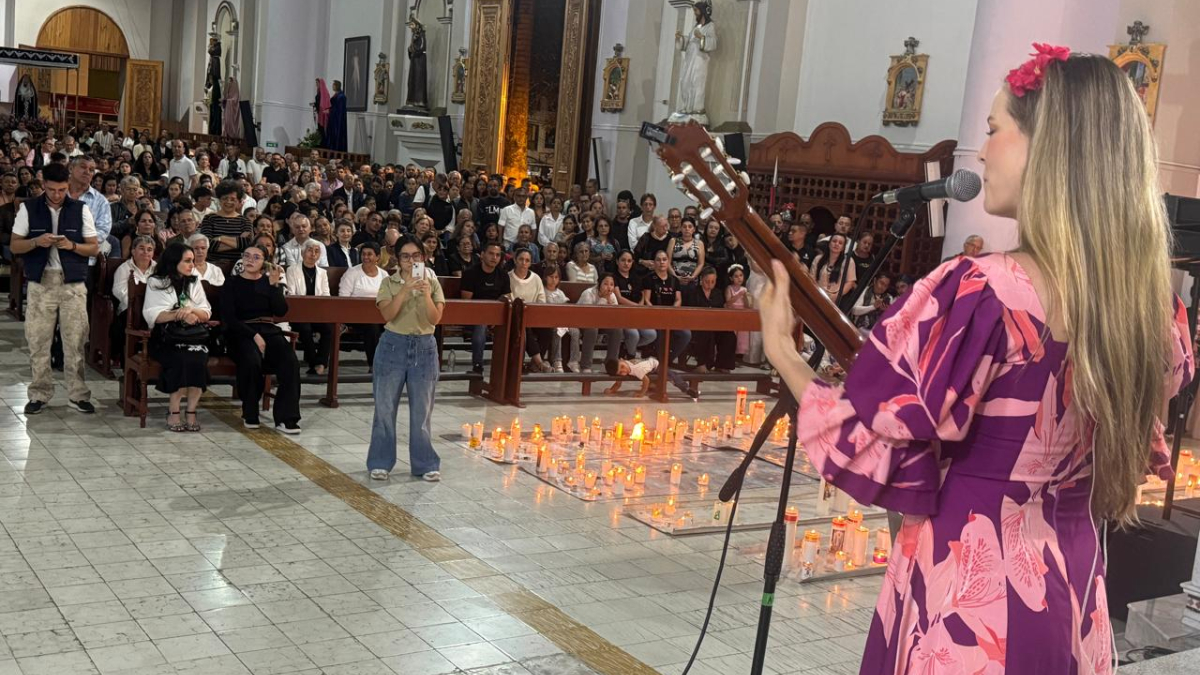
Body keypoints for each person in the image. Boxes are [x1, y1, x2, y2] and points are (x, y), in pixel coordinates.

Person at [757, 48, 1194, 675]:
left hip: (970, 606)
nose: (981, 152)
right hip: (1069, 592)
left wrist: (784, 356)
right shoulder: (1152, 310)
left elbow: (876, 448)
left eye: (993, 130)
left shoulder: (980, 294)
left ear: (1050, 145)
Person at [9, 163, 99, 415]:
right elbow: (15, 246)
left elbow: (93, 248)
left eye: (61, 190)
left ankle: (77, 394)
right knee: (38, 340)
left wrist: (71, 246)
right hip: (41, 282)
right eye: (51, 190)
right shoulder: (29, 208)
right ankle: (39, 393)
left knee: (76, 340)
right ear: (43, 185)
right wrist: (37, 241)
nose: (57, 195)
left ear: (68, 185)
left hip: (72, 283)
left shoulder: (81, 209)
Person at [368, 236, 444, 482]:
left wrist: (424, 295)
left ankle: (424, 463)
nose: (411, 261)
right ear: (397, 259)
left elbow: (434, 319)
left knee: (422, 411)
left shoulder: (432, 283)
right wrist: (404, 289)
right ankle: (380, 461)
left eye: (416, 256)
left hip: (424, 348)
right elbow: (387, 314)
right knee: (385, 408)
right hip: (393, 346)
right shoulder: (389, 283)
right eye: (405, 256)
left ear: (424, 257)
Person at [220, 245, 302, 433]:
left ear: (264, 262)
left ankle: (286, 418)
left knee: (291, 362)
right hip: (240, 331)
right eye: (247, 256)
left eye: (256, 257)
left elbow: (280, 311)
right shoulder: (232, 283)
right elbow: (229, 317)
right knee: (251, 360)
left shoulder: (269, 283)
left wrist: (275, 285)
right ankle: (250, 412)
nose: (250, 260)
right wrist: (253, 335)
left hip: (268, 330)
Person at [143, 243, 211, 432]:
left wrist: (191, 310)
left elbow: (206, 312)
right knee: (181, 359)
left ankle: (191, 412)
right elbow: (154, 315)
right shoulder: (155, 281)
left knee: (198, 358)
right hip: (166, 337)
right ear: (174, 262)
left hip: (193, 337)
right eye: (187, 261)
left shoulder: (194, 281)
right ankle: (173, 411)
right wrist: (179, 314)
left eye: (193, 261)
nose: (192, 265)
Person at [459, 242, 511, 373]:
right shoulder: (470, 273)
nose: (494, 257)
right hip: (474, 314)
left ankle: (509, 368)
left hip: (497, 315)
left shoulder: (503, 275)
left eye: (498, 255)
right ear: (482, 255)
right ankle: (478, 365)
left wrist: (494, 317)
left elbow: (507, 299)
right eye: (491, 253)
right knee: (481, 324)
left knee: (515, 325)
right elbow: (467, 302)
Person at [285, 239, 332, 375]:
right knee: (305, 328)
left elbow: (326, 295)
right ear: (302, 252)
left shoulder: (322, 273)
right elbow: (292, 295)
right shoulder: (292, 270)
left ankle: (322, 362)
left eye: (317, 251)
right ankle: (315, 363)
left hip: (317, 313)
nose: (313, 254)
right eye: (310, 250)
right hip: (298, 313)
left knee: (328, 329)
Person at [340, 242, 387, 369]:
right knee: (372, 327)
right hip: (356, 316)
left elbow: (389, 297)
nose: (366, 257)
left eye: (370, 254)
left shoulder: (384, 275)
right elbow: (343, 298)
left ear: (377, 257)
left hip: (380, 315)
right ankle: (374, 365)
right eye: (364, 254)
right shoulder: (352, 273)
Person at [112, 235, 157, 366]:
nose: (146, 252)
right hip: (129, 309)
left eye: (149, 249)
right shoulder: (124, 268)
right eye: (141, 248)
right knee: (127, 320)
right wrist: (136, 306)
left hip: (153, 309)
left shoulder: (158, 269)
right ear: (133, 251)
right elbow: (119, 290)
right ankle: (125, 359)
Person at [642, 249, 690, 363]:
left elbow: (678, 300)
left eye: (664, 259)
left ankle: (667, 360)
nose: (661, 262)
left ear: (668, 262)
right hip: (655, 316)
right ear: (654, 262)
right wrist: (656, 312)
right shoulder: (649, 279)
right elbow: (646, 300)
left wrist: (671, 311)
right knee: (661, 332)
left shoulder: (674, 280)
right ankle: (660, 360)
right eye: (658, 260)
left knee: (686, 334)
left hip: (671, 316)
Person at [508, 249, 552, 372]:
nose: (524, 263)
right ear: (515, 260)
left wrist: (534, 313)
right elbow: (509, 298)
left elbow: (541, 298)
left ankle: (534, 362)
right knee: (523, 326)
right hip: (515, 318)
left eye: (527, 260)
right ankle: (539, 362)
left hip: (533, 316)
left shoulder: (536, 278)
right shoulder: (508, 277)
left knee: (547, 331)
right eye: (521, 259)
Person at [685, 266, 735, 373]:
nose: (710, 284)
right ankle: (703, 363)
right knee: (705, 332)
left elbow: (720, 311)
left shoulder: (717, 293)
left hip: (715, 324)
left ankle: (722, 364)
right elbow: (689, 311)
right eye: (707, 281)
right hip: (697, 325)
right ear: (701, 280)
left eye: (713, 281)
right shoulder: (693, 292)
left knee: (729, 335)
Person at [200, 180, 251, 262]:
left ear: (238, 201)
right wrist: (238, 241)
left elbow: (246, 244)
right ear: (219, 200)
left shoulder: (245, 221)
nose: (228, 202)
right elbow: (208, 244)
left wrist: (220, 238)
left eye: (233, 199)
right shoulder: (209, 218)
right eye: (225, 198)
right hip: (213, 265)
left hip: (238, 266)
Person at [809, 233, 856, 298]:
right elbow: (812, 277)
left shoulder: (848, 261)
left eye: (840, 243)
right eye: (834, 241)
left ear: (843, 248)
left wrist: (836, 296)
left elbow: (850, 282)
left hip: (835, 296)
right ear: (829, 244)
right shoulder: (818, 258)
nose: (836, 244)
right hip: (817, 293)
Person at [724, 264, 753, 359]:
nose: (739, 278)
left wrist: (746, 297)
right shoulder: (729, 288)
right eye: (736, 276)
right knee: (732, 334)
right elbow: (728, 302)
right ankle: (730, 354)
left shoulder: (744, 289)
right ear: (731, 278)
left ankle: (739, 354)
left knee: (742, 335)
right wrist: (738, 295)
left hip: (742, 313)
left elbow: (747, 305)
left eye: (741, 275)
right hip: (732, 313)